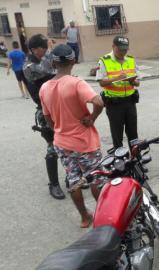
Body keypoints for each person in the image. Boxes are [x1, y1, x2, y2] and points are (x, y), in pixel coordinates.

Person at [39, 44, 105, 228]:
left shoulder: (44, 87)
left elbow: (47, 117)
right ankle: (102, 218)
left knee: (74, 180)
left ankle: (85, 217)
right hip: (84, 142)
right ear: (73, 61)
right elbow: (99, 102)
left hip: (62, 143)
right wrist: (92, 118)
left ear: (53, 62)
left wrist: (58, 130)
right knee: (96, 178)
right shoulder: (76, 82)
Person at [23, 34, 65, 200]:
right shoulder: (29, 66)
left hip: (63, 109)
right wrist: (50, 52)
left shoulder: (49, 59)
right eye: (43, 46)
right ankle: (54, 184)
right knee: (52, 148)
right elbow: (45, 70)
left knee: (70, 146)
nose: (46, 48)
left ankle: (72, 178)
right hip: (47, 112)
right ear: (33, 49)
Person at [96, 35, 142, 150]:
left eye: (125, 49)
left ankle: (136, 160)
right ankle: (121, 162)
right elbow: (101, 82)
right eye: (120, 49)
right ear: (113, 46)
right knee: (117, 135)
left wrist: (132, 81)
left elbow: (138, 82)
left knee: (133, 133)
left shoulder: (131, 60)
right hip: (114, 104)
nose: (123, 52)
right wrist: (116, 78)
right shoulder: (104, 60)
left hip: (130, 102)